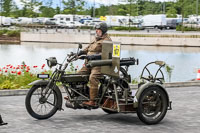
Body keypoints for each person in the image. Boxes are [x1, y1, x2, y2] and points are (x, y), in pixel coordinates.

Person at [77, 22, 112, 106]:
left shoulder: (107, 40)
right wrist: (81, 52)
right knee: (78, 76)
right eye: (96, 30)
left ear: (103, 30)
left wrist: (93, 57)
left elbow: (106, 54)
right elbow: (88, 48)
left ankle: (93, 100)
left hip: (99, 64)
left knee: (93, 78)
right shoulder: (96, 39)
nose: (96, 31)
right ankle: (79, 95)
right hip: (89, 64)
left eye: (98, 30)